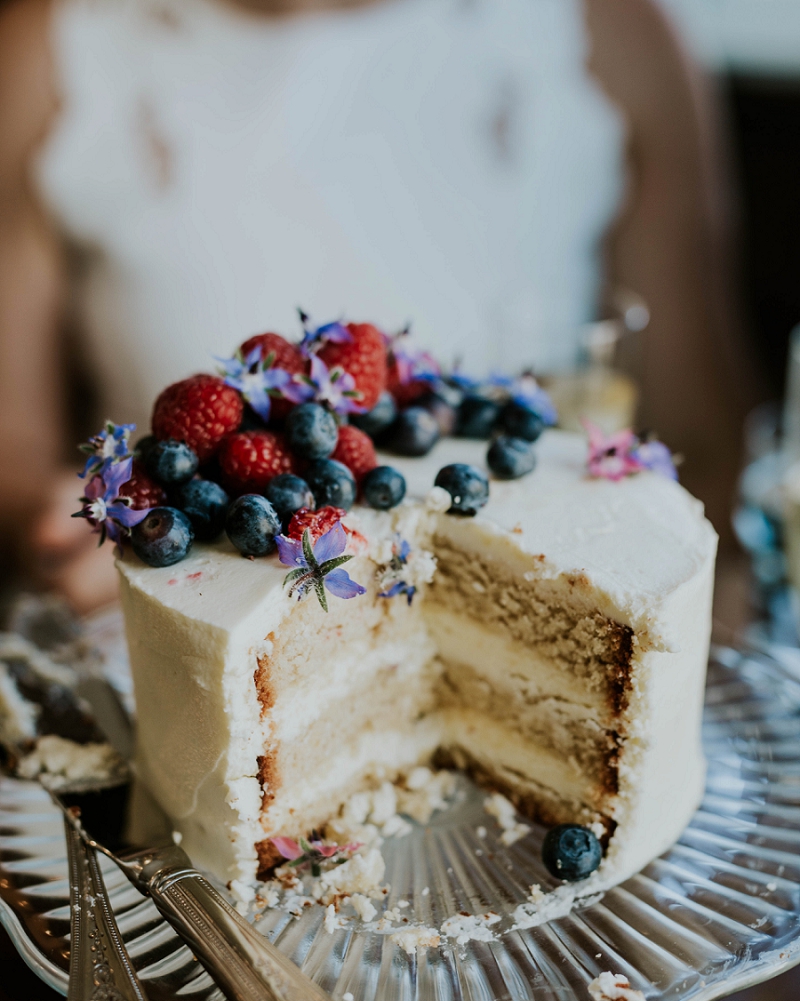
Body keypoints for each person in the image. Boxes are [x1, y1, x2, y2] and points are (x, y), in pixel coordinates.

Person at [0, 0, 758, 613]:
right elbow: (13, 452)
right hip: (205, 623)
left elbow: (702, 439)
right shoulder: (53, 46)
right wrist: (73, 528)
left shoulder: (615, 30)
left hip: (538, 611)